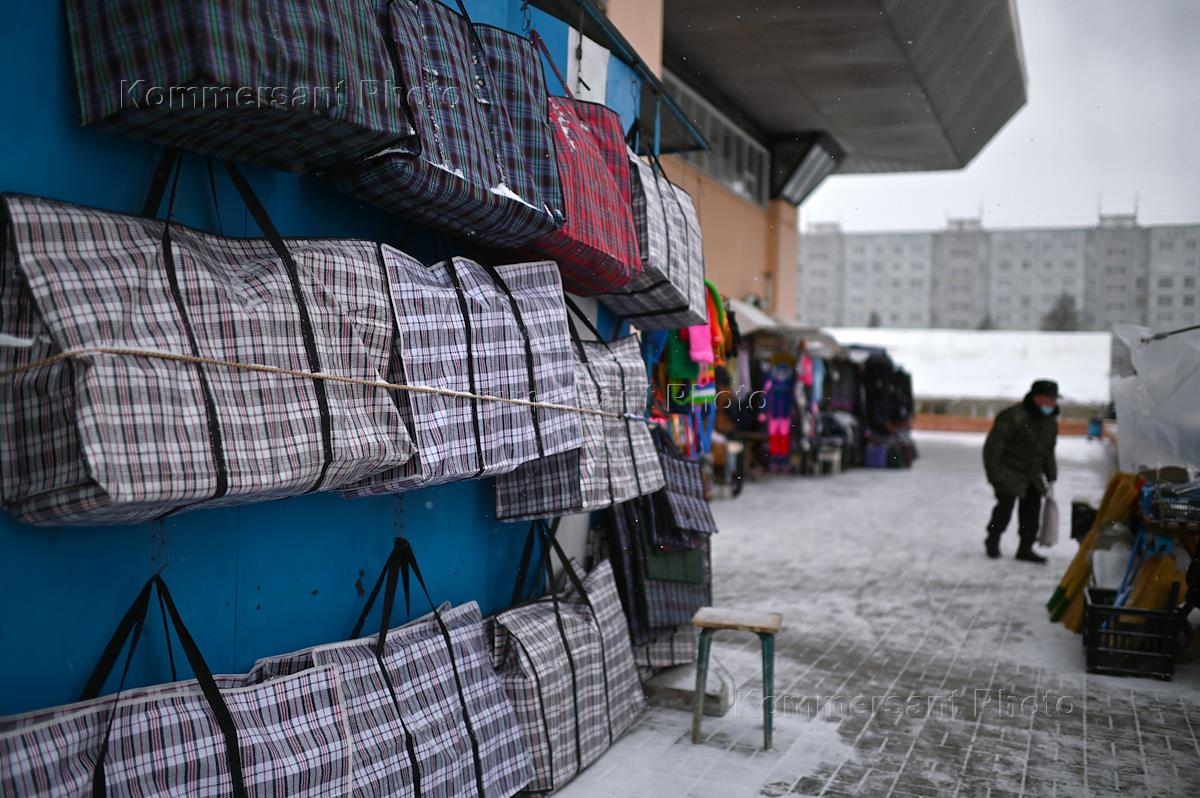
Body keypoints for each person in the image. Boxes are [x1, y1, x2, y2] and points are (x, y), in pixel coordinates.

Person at [982, 380, 1060, 563]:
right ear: (1037, 397)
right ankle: (993, 539)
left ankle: (1025, 548)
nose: (1053, 403)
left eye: (1054, 399)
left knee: (1031, 513)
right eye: (1049, 399)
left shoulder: (1050, 421)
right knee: (1004, 509)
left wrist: (1051, 474)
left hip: (1033, 474)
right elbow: (993, 448)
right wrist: (995, 476)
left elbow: (1048, 450)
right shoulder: (1013, 416)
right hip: (1008, 471)